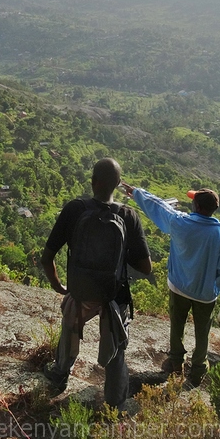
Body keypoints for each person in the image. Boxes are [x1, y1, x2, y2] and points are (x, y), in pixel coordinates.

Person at [41, 158, 152, 410]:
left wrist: (60, 287)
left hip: (81, 292)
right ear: (117, 185)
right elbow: (146, 268)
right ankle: (115, 400)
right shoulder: (128, 216)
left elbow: (47, 258)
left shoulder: (74, 209)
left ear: (93, 182)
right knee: (117, 344)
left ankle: (60, 374)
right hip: (114, 296)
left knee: (69, 324)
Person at [119, 183, 220, 387]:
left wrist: (136, 192)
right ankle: (199, 369)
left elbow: (158, 207)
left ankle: (176, 362)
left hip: (179, 287)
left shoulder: (180, 223)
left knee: (177, 325)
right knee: (202, 332)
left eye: (193, 200)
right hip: (205, 294)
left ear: (198, 206)